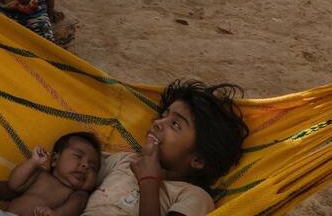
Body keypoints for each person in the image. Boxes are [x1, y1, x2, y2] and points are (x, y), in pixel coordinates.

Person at [83, 80, 249, 216]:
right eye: (163, 116)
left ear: (197, 159)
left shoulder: (193, 197)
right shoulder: (123, 161)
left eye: (175, 124)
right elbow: (69, 175)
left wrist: (149, 181)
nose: (158, 123)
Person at [0, 132, 101, 216]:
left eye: (93, 167)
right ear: (54, 160)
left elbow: (76, 206)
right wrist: (33, 162)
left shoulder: (78, 194)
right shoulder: (39, 175)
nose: (85, 165)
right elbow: (14, 184)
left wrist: (56, 214)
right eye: (78, 156)